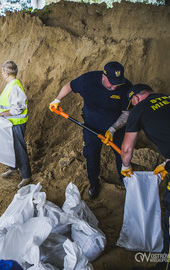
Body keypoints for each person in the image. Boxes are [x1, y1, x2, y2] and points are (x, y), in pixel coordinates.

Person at [49, 61, 133, 199]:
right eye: (111, 82)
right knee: (91, 155)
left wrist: (112, 129)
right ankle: (94, 183)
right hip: (91, 127)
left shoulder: (126, 87)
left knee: (121, 154)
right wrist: (57, 100)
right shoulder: (88, 80)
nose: (114, 86)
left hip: (116, 129)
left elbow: (126, 114)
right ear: (103, 76)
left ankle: (124, 180)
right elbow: (70, 85)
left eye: (117, 83)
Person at [120, 84, 170, 267]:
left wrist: (125, 167)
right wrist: (166, 163)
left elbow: (126, 149)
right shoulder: (167, 98)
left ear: (135, 99)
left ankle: (163, 264)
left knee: (169, 222)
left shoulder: (138, 110)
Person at [0, 60, 32, 189]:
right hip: (10, 123)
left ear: (6, 73)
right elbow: (8, 105)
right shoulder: (11, 85)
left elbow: (17, 109)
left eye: (2, 71)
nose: (1, 73)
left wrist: (2, 114)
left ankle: (26, 176)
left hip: (16, 123)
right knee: (11, 147)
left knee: (20, 148)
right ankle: (13, 168)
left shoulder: (14, 87)